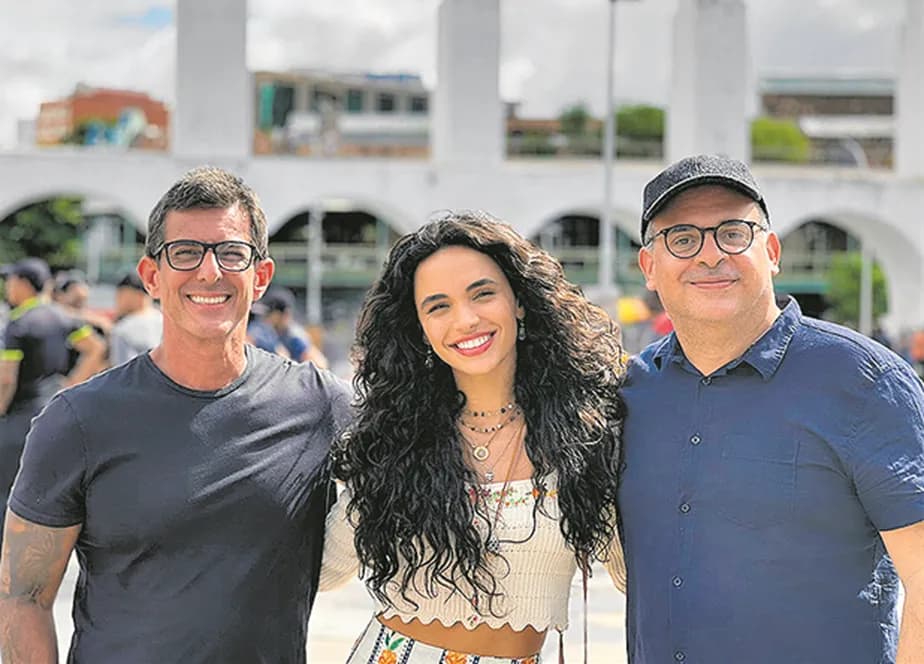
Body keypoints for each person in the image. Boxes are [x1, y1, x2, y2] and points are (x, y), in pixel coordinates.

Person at [0, 166, 353, 663]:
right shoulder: (77, 419)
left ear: (261, 276)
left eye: (232, 253)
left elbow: (434, 455)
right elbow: (23, 596)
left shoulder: (319, 405)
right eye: (185, 252)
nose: (209, 272)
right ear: (152, 276)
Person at [620, 153, 924, 663]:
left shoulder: (864, 383)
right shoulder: (632, 393)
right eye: (682, 239)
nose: (710, 254)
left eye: (733, 232)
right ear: (650, 267)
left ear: (773, 251)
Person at [320, 210, 626, 663]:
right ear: (420, 329)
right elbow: (320, 569)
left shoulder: (586, 435)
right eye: (438, 306)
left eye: (482, 294)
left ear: (519, 301)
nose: (465, 319)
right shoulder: (393, 438)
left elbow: (642, 575)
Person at [0, 257, 105, 537]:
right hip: (54, 414)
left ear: (23, 284)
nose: (8, 288)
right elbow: (95, 348)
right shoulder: (63, 317)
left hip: (19, 419)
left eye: (10, 281)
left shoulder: (18, 323)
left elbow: (7, 378)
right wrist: (70, 385)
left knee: (8, 493)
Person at [250, 286, 329, 369]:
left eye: (269, 314)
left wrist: (291, 367)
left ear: (284, 315)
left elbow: (320, 365)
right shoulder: (262, 331)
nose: (264, 318)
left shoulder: (294, 336)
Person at [108, 270, 162, 366]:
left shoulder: (123, 329)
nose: (116, 300)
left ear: (137, 295)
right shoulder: (169, 321)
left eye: (120, 294)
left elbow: (124, 373)